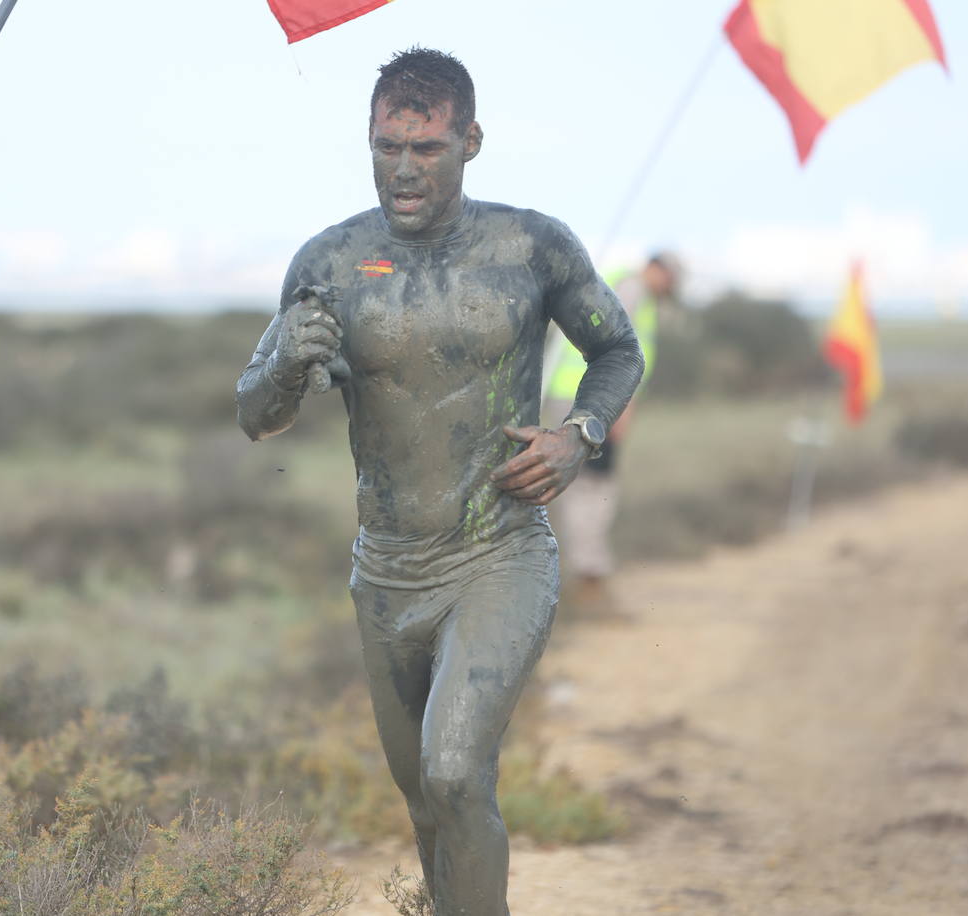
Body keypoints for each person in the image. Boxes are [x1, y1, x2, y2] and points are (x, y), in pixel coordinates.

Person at [236, 48, 642, 916]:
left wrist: (578, 436)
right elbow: (256, 415)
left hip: (498, 553)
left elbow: (617, 350)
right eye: (387, 148)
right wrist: (284, 366)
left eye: (426, 148)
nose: (404, 169)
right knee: (427, 799)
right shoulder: (330, 262)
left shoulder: (531, 246)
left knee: (455, 771)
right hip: (386, 573)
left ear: (471, 141)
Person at [544, 253, 680, 603]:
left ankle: (585, 573)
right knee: (591, 486)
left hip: (580, 396)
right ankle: (589, 577)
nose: (669, 288)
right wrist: (619, 407)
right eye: (670, 279)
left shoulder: (619, 284)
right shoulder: (632, 290)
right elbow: (619, 352)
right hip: (592, 400)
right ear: (657, 269)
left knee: (585, 484)